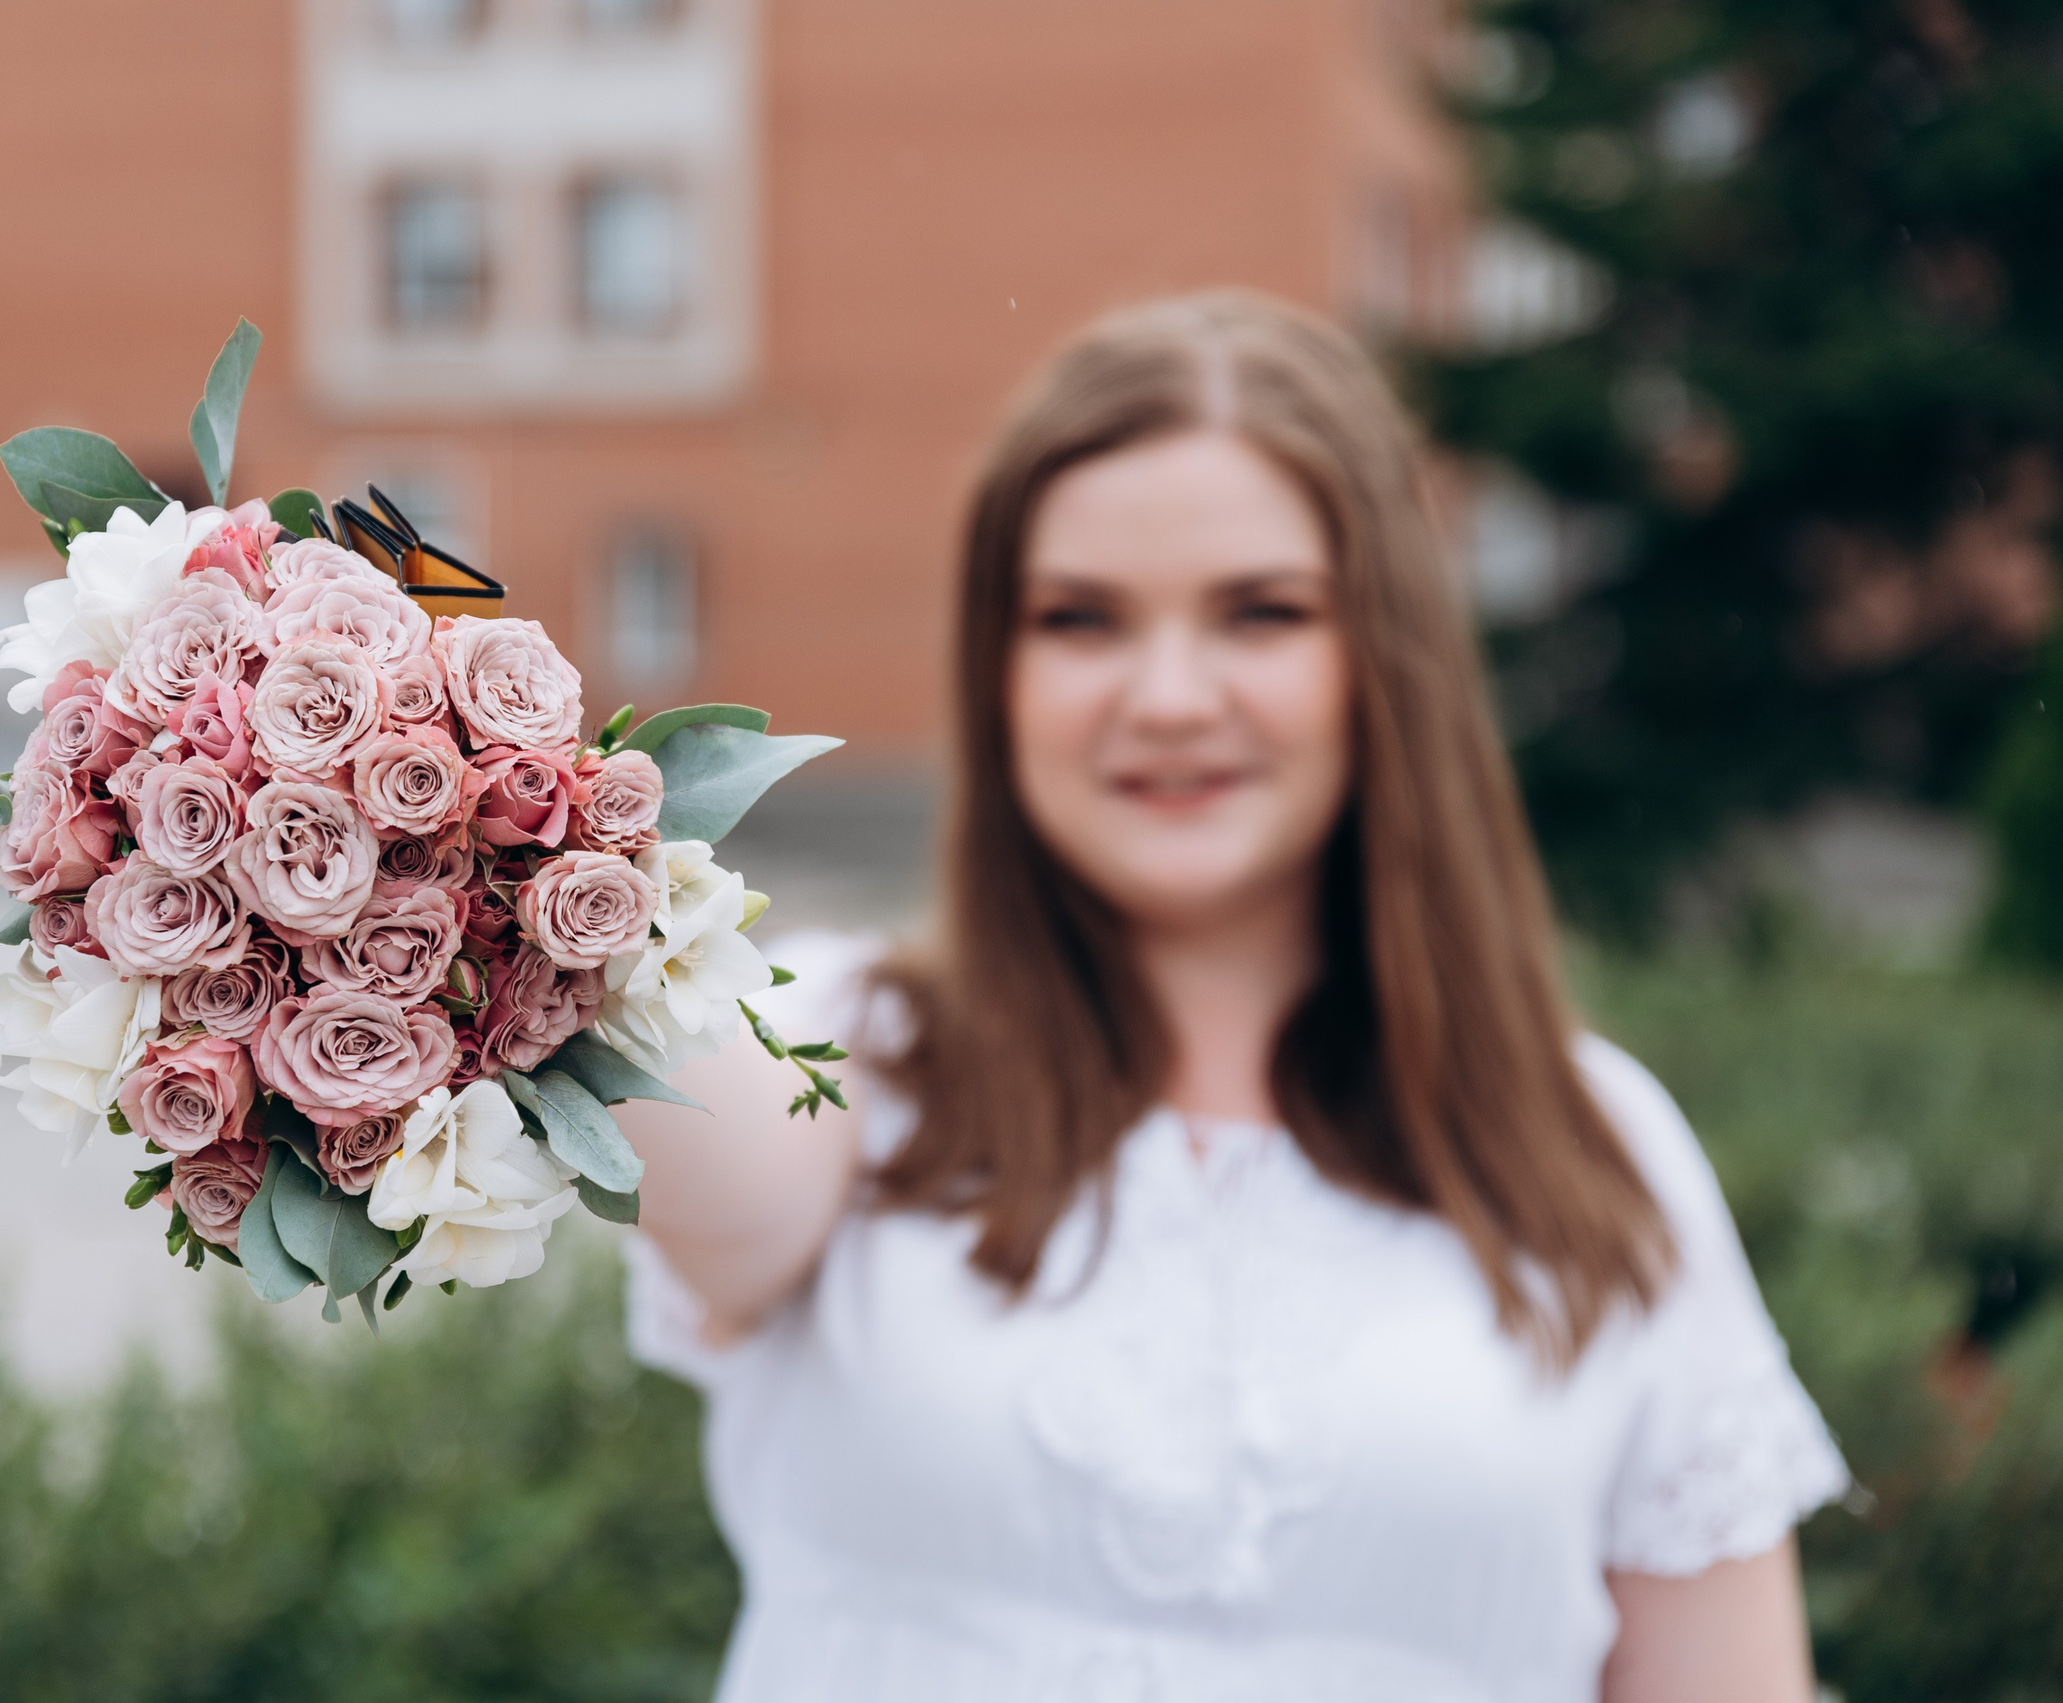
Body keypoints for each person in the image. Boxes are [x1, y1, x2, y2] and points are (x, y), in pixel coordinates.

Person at [615, 290, 1848, 1703]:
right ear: (997, 670)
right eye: (1082, 620)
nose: (1170, 695)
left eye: (1260, 614)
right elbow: (643, 1055)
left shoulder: (1599, 1152)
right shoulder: (847, 1050)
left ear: (1382, 659)